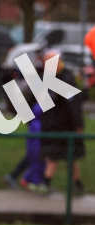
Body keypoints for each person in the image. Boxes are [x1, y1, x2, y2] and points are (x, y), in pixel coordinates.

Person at [37, 50, 85, 196]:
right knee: (57, 156)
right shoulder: (49, 78)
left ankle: (51, 184)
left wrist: (78, 125)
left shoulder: (65, 79)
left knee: (65, 156)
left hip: (66, 126)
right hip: (54, 125)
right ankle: (75, 185)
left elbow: (73, 105)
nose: (44, 65)